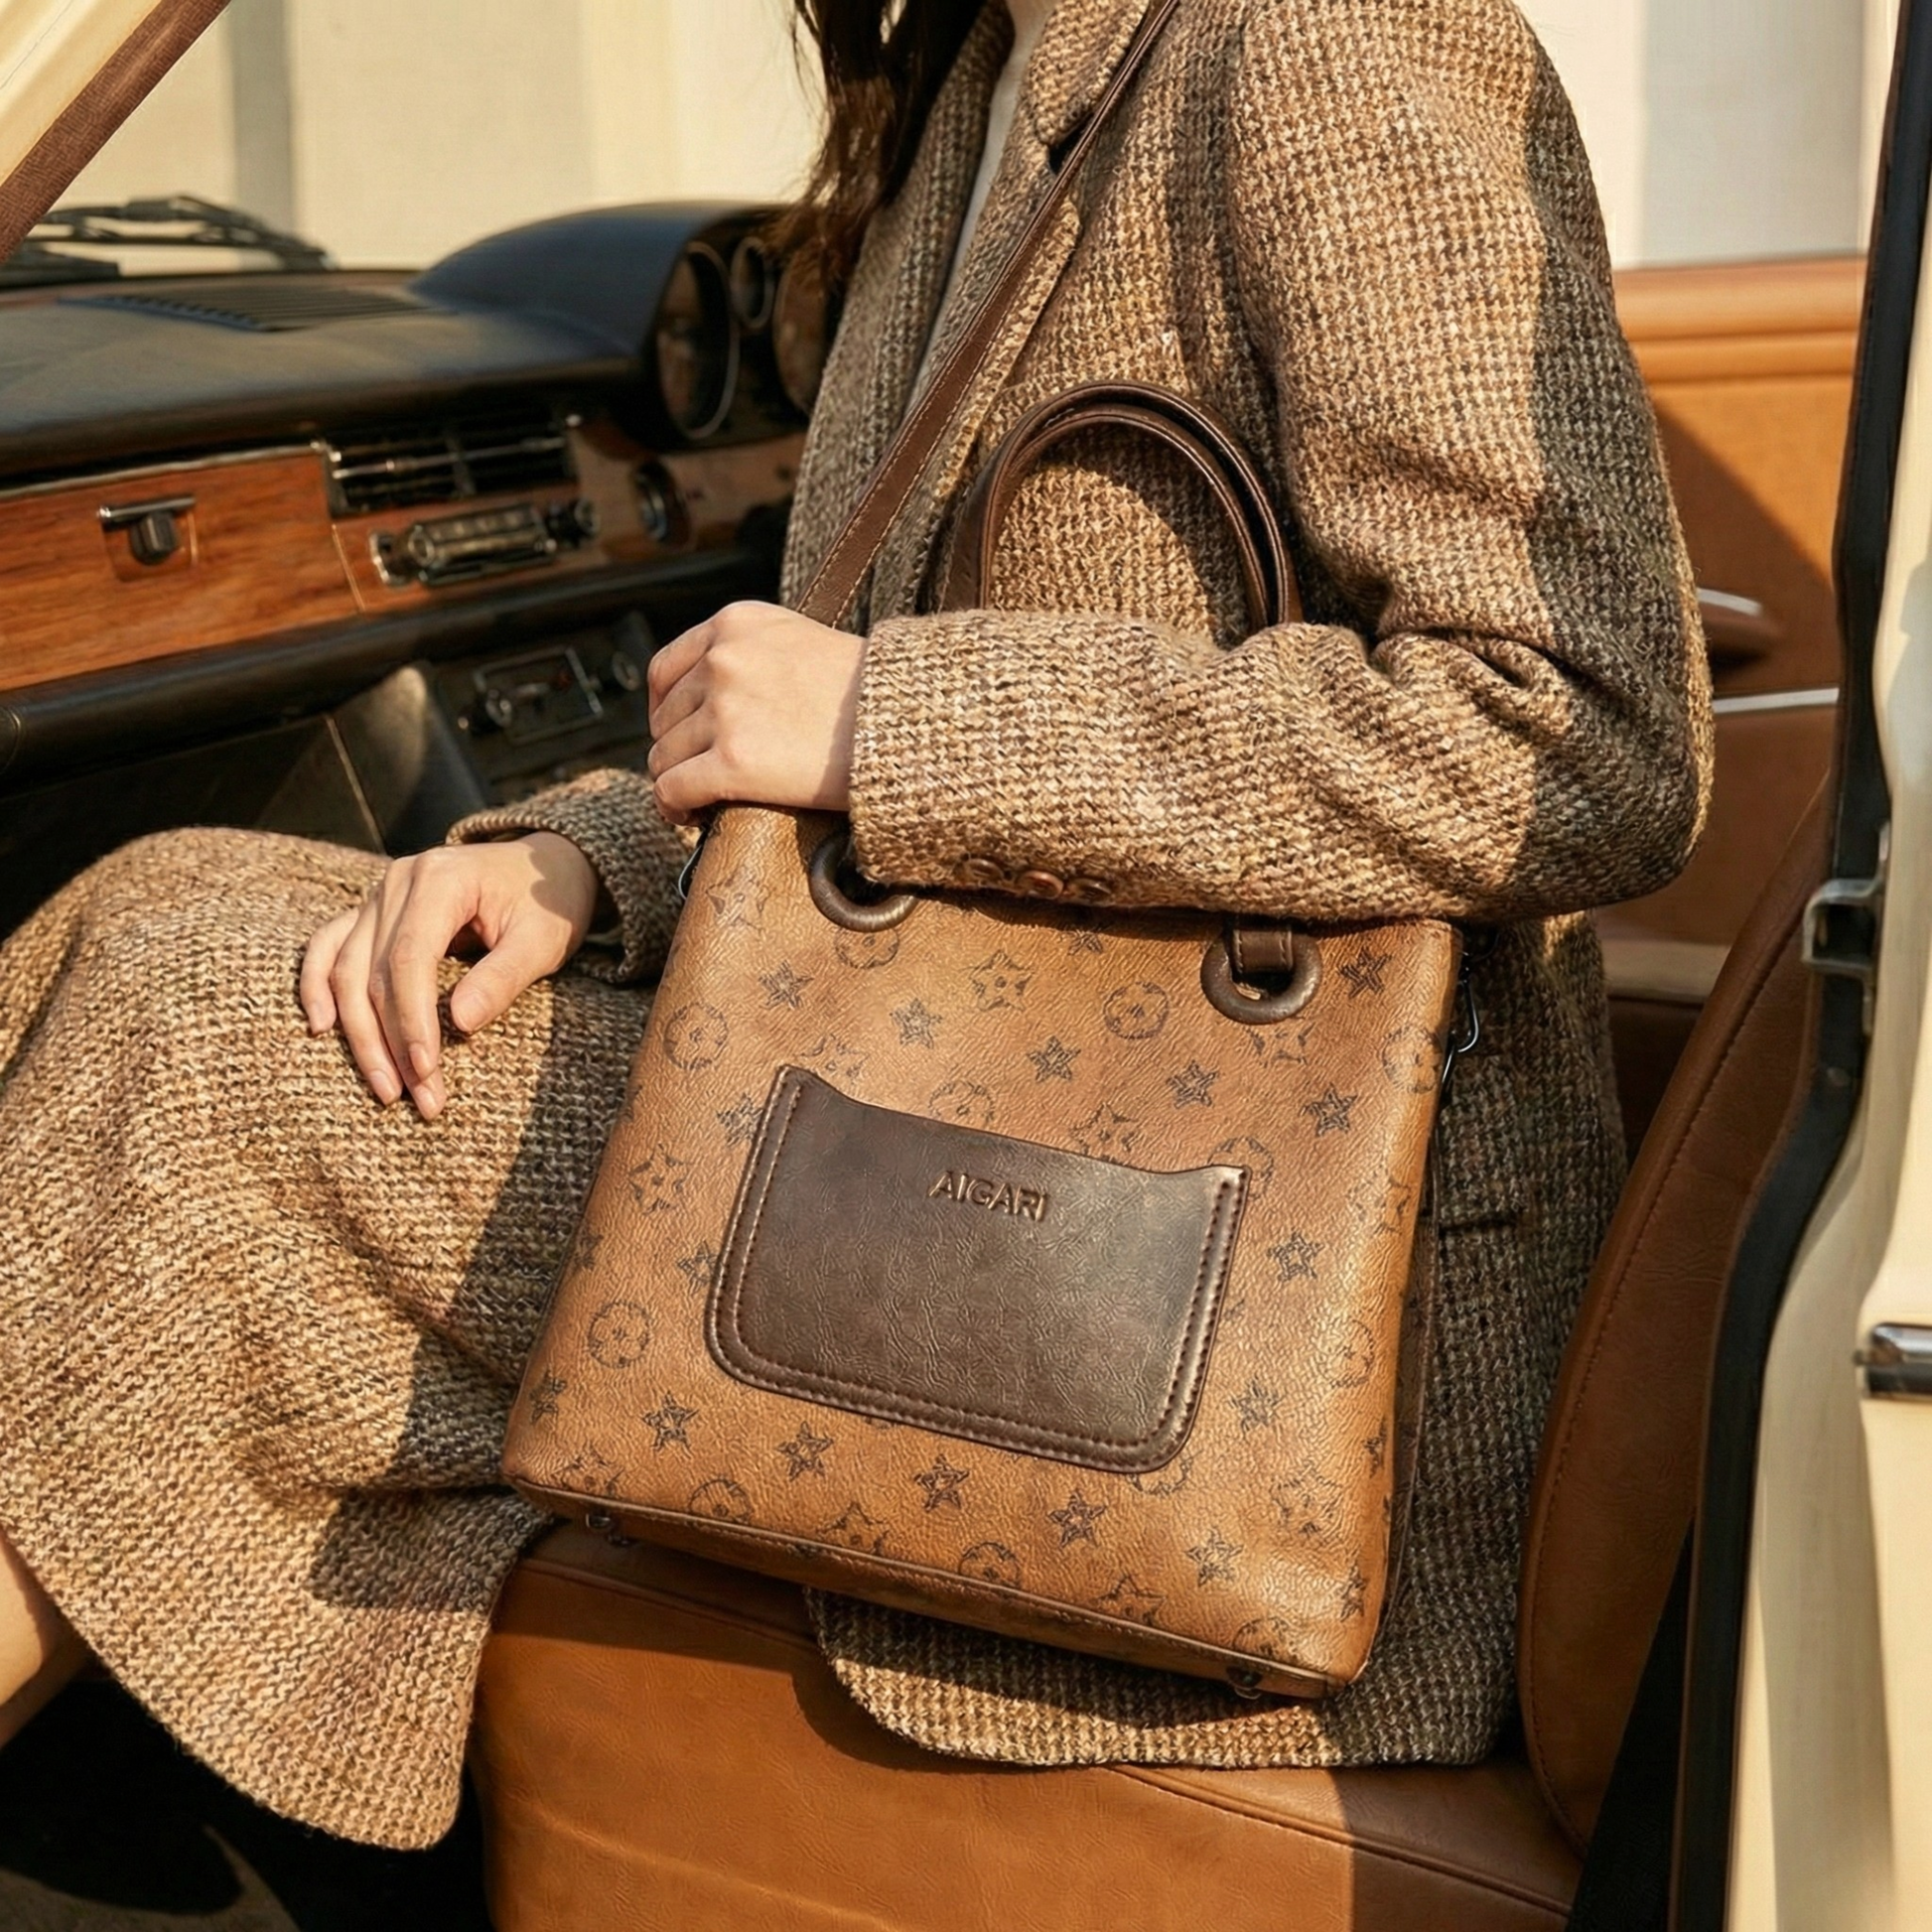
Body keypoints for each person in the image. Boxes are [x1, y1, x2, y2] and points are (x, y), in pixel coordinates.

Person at [0, 0, 1711, 1850]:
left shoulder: (1333, 32)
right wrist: (591, 857)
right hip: (984, 1095)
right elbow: (835, 724)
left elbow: (1584, 727)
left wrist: (897, 720)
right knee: (157, 904)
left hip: (1254, 1296)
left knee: (192, 1051)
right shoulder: (995, 62)